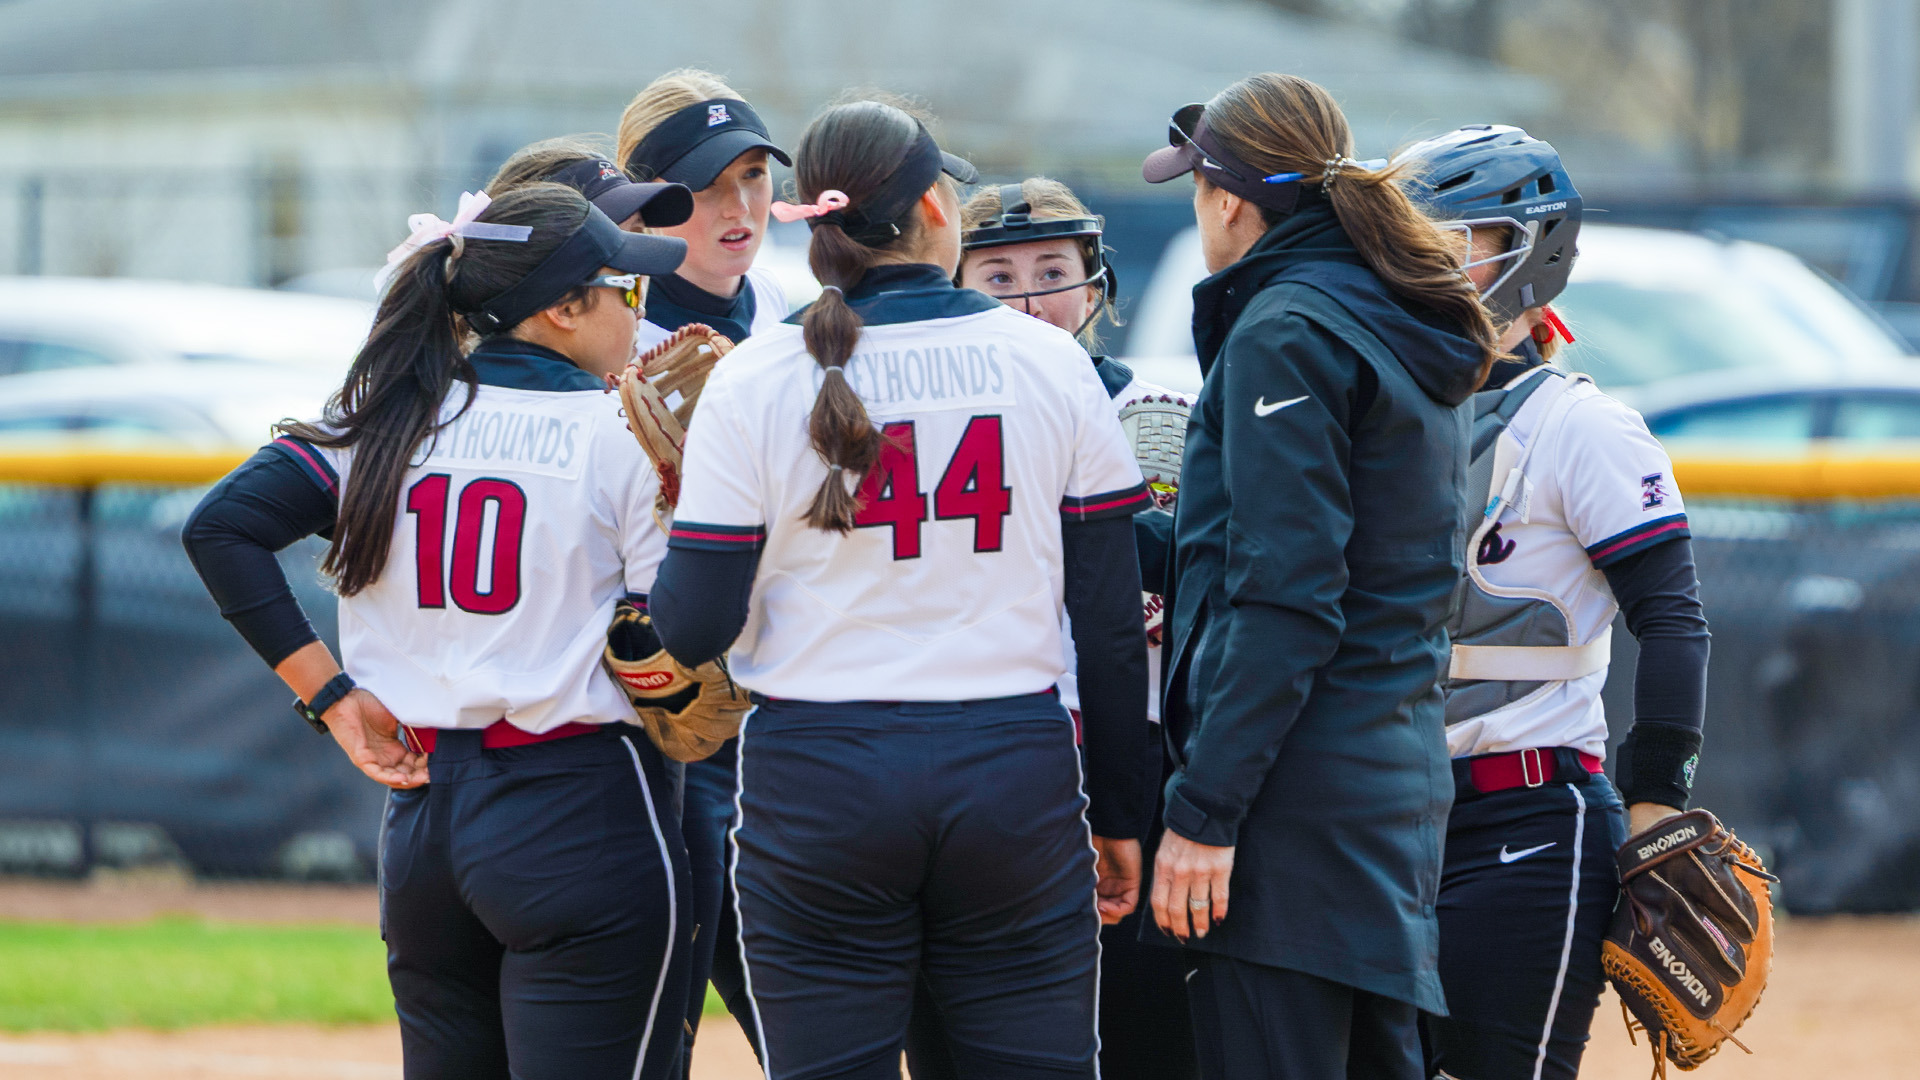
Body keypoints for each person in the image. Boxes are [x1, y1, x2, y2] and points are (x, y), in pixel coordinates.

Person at [647, 99, 1160, 1079]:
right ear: (934, 204)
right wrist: (1118, 814)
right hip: (1009, 762)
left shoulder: (756, 376)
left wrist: (682, 512)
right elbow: (1106, 623)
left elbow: (695, 624)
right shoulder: (1052, 360)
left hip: (818, 771)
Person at [180, 183, 695, 1080]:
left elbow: (220, 527)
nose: (635, 316)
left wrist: (333, 699)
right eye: (626, 291)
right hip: (580, 804)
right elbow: (686, 628)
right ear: (567, 308)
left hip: (426, 827)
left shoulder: (382, 422)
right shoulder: (621, 431)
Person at [1136, 74, 1501, 1078]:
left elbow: (1290, 600)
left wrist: (1204, 813)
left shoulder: (1287, 328)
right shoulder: (1389, 307)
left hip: (1288, 809)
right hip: (1387, 792)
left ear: (1229, 200)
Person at [1395, 124, 1710, 1080]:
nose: (1420, 262)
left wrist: (1654, 806)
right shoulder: (1382, 413)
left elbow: (1673, 621)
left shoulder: (1580, 426)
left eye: (1454, 240)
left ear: (1531, 249)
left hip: (1530, 817)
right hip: (1386, 819)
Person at [900, 178, 1196, 1080]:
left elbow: (1168, 570)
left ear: (1095, 282)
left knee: (1142, 1013)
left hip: (1131, 743)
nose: (1029, 297)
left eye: (1052, 270)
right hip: (992, 746)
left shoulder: (1156, 407)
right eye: (997, 274)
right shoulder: (931, 408)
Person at [614, 71, 792, 1060]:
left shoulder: (790, 323)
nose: (738, 205)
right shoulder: (614, 340)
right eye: (703, 184)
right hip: (664, 741)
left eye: (756, 175)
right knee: (659, 1036)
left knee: (814, 1032)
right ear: (644, 203)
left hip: (792, 725)